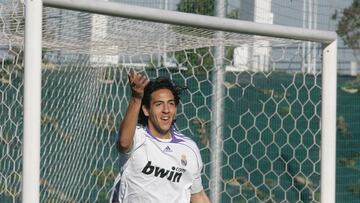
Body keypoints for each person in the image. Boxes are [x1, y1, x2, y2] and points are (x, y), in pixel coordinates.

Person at [110, 72, 211, 203]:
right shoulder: (137, 137)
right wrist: (136, 98)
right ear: (146, 110)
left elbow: (197, 196)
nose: (166, 110)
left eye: (171, 104)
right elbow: (123, 143)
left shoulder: (189, 148)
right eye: (159, 104)